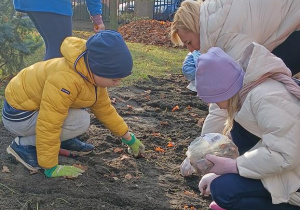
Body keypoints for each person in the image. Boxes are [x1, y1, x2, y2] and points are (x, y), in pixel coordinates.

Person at [2, 30, 145, 178]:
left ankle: (60, 142)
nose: (117, 84)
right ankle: (22, 145)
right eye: (114, 79)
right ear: (98, 69)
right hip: (19, 115)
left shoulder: (90, 73)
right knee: (79, 121)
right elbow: (50, 122)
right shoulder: (65, 79)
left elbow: (105, 110)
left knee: (81, 119)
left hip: (33, 108)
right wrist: (50, 166)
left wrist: (128, 137)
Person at [170, 0, 300, 136]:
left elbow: (224, 98)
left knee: (245, 103)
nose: (191, 50)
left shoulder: (228, 36)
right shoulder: (218, 15)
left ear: (194, 27)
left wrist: (206, 142)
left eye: (189, 42)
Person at [193, 46, 300, 210]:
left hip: (294, 178)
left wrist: (232, 167)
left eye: (214, 99)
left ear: (223, 91)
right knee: (222, 186)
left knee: (223, 191)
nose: (217, 106)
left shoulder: (266, 98)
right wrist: (219, 172)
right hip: (287, 172)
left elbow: (283, 155)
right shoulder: (249, 94)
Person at [12, 0, 105, 60]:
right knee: (61, 49)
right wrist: (97, 17)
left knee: (54, 47)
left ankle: (44, 86)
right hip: (53, 3)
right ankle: (49, 88)